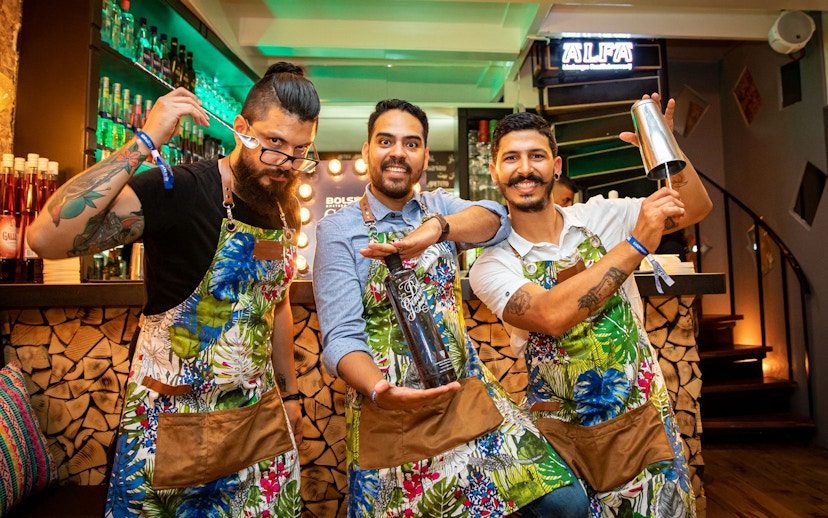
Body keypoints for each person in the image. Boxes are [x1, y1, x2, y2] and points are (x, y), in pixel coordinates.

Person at [28, 62, 320, 517]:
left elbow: (274, 304)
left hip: (258, 423)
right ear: (241, 129)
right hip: (175, 427)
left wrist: (291, 394)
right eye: (274, 144)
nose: (287, 163)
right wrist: (143, 143)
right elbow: (46, 238)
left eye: (301, 150)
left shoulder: (284, 207)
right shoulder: (182, 190)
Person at [313, 99, 589, 517]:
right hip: (391, 412)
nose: (398, 152)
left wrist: (436, 230)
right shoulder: (338, 229)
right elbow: (340, 338)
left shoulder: (439, 207)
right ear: (367, 151)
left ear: (425, 156)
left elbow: (497, 218)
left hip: (464, 401)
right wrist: (379, 390)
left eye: (412, 143)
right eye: (386, 141)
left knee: (564, 504)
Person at [469, 93, 712, 517]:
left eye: (536, 156)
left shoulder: (601, 217)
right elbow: (550, 315)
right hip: (561, 437)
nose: (524, 169)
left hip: (639, 419)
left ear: (556, 167)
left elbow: (694, 206)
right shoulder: (491, 264)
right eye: (511, 159)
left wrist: (668, 151)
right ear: (494, 172)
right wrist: (636, 245)